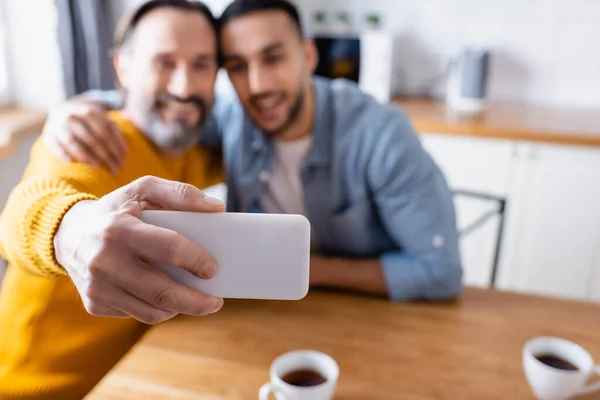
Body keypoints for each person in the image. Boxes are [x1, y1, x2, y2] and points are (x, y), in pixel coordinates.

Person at [44, 0, 463, 301]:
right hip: (256, 315)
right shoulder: (231, 118)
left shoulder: (382, 134)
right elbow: (158, 104)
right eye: (239, 67)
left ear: (308, 55)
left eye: (273, 58)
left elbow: (440, 274)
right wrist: (72, 108)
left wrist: (305, 271)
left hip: (364, 313)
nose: (258, 85)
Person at [0, 1, 227, 398]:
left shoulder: (196, 154)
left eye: (201, 64)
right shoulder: (89, 140)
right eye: (164, 63)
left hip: (127, 378)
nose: (184, 87)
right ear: (123, 67)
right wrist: (66, 229)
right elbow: (24, 211)